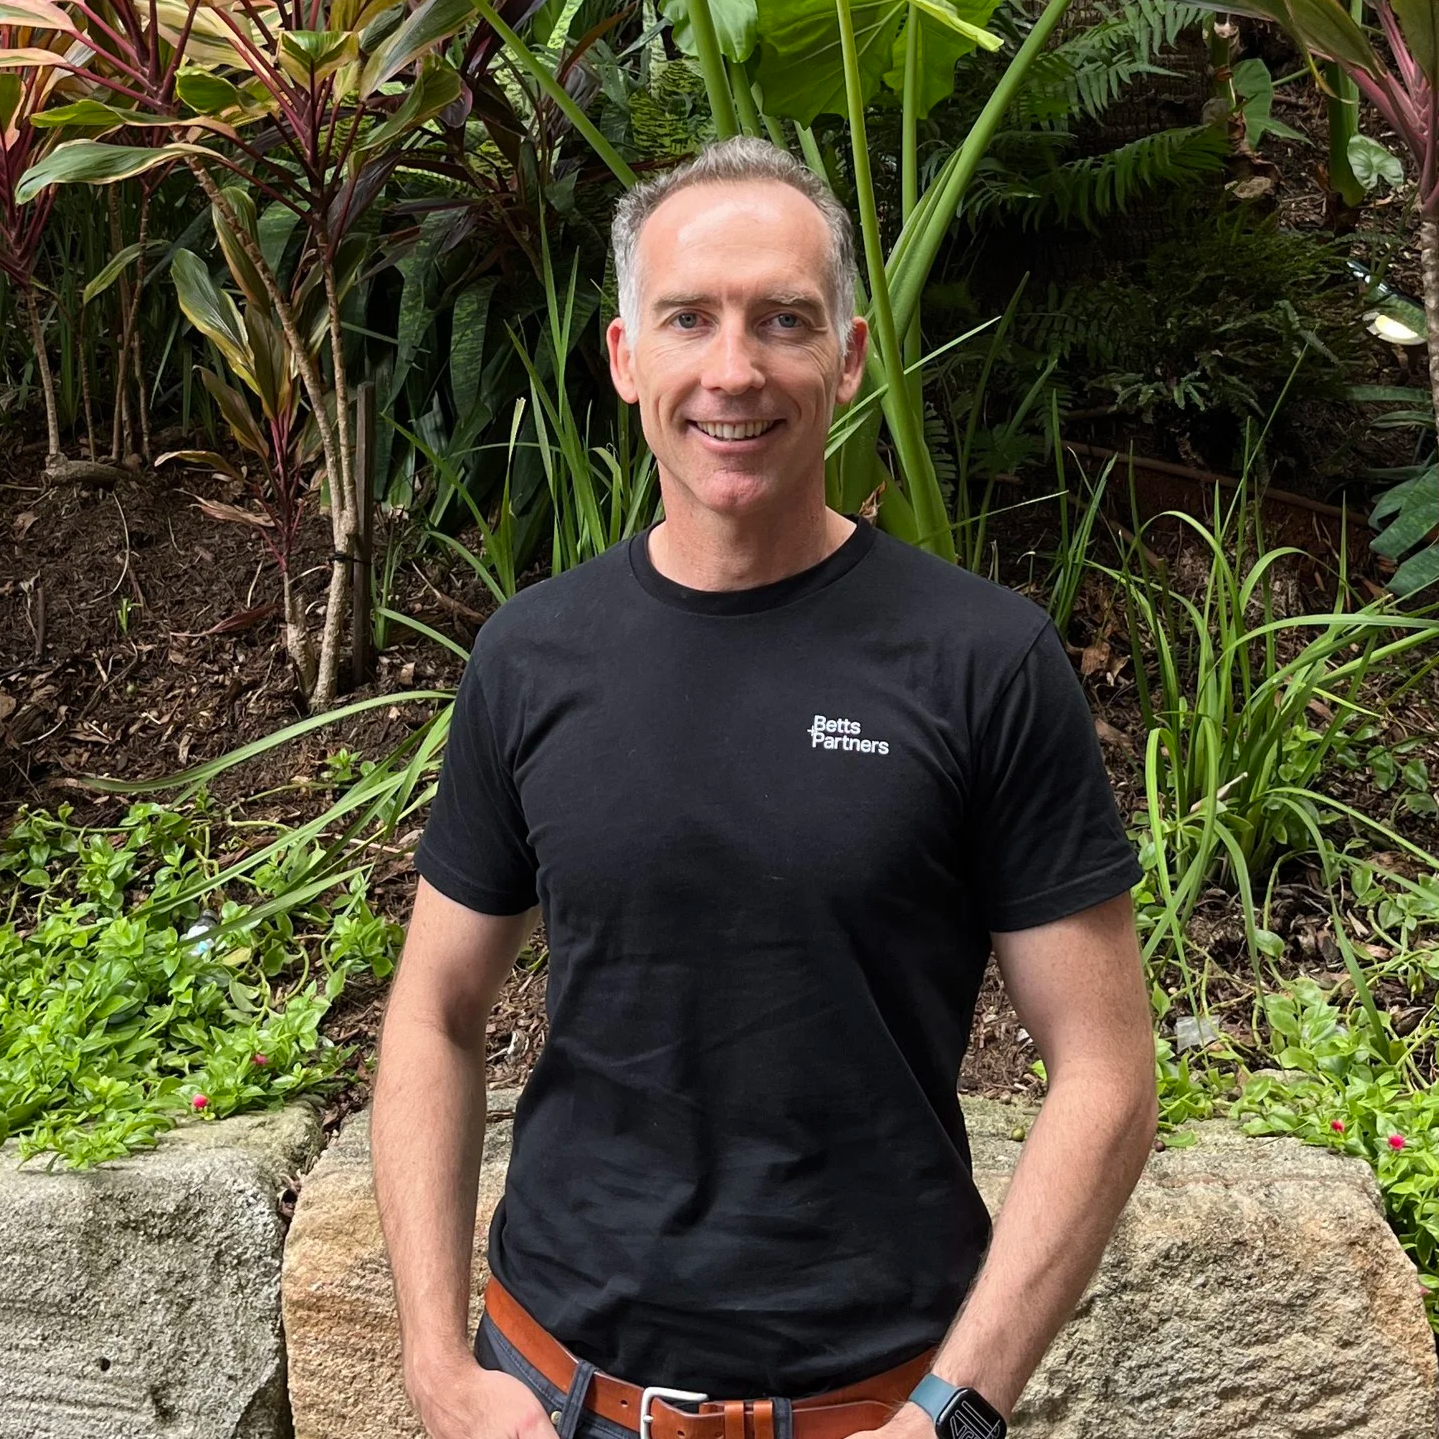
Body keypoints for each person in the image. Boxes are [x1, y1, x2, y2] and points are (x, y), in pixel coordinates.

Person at [372, 136, 1158, 1439]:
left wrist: (951, 1413)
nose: (731, 370)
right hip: (554, 1387)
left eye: (782, 321)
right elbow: (434, 1010)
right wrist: (434, 1365)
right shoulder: (531, 655)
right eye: (688, 318)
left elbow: (1106, 1070)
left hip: (870, 1403)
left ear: (847, 355)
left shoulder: (982, 662)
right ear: (626, 357)